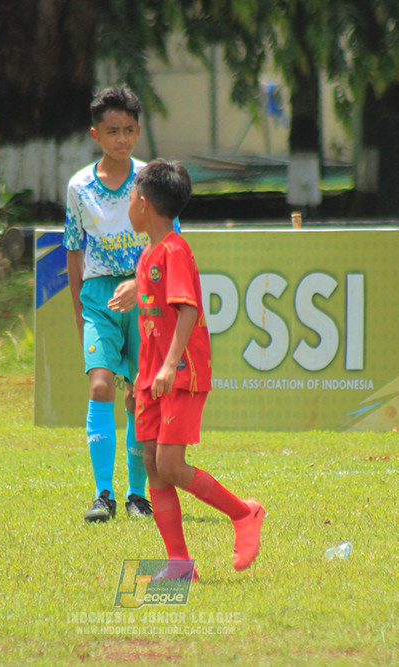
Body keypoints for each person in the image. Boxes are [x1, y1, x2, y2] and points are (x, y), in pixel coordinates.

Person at [125, 159, 265, 580]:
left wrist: (169, 367)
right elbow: (152, 326)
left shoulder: (175, 250)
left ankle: (244, 513)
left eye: (130, 197)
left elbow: (188, 310)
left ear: (144, 204)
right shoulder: (149, 253)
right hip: (152, 378)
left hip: (180, 374)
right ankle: (180, 564)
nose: (128, 204)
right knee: (152, 463)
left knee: (169, 465)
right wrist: (142, 377)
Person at [64, 86, 176, 522]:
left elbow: (170, 244)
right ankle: (103, 494)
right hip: (97, 299)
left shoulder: (152, 180)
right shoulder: (79, 186)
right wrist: (78, 309)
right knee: (100, 386)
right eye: (113, 131)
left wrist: (139, 282)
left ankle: (136, 494)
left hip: (145, 297)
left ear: (138, 131)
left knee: (138, 399)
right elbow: (74, 249)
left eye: (129, 130)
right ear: (96, 134)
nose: (122, 139)